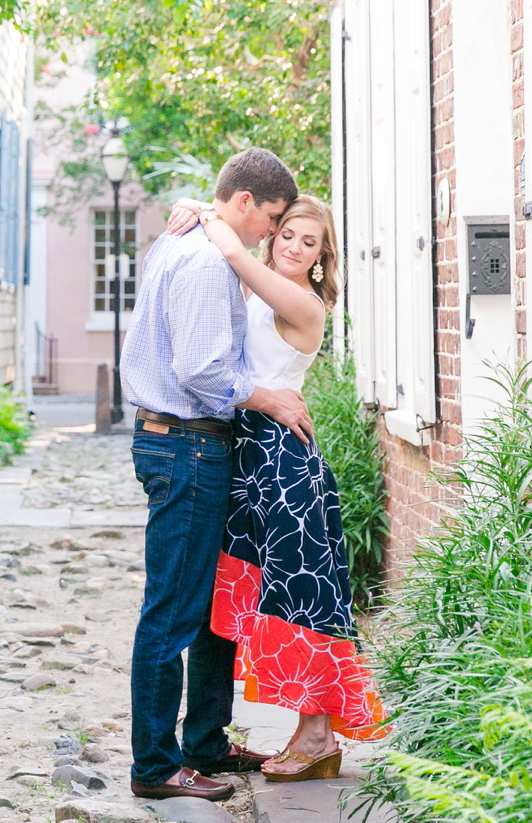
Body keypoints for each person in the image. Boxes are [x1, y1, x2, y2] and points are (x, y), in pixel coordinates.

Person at [164, 193, 389, 782]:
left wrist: (207, 211)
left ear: (321, 258)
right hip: (241, 462)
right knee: (240, 601)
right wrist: (196, 205)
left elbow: (236, 254)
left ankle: (317, 734)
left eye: (308, 242)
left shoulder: (304, 304)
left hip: (284, 469)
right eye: (287, 232)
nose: (293, 246)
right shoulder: (251, 287)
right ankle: (230, 736)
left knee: (300, 597)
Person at [119, 148, 315, 803]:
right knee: (173, 611)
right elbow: (205, 371)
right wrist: (270, 397)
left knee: (207, 611)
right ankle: (155, 763)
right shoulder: (205, 261)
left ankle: (204, 744)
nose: (270, 232)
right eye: (272, 217)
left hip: (185, 445)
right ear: (243, 202)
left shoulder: (185, 240)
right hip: (187, 448)